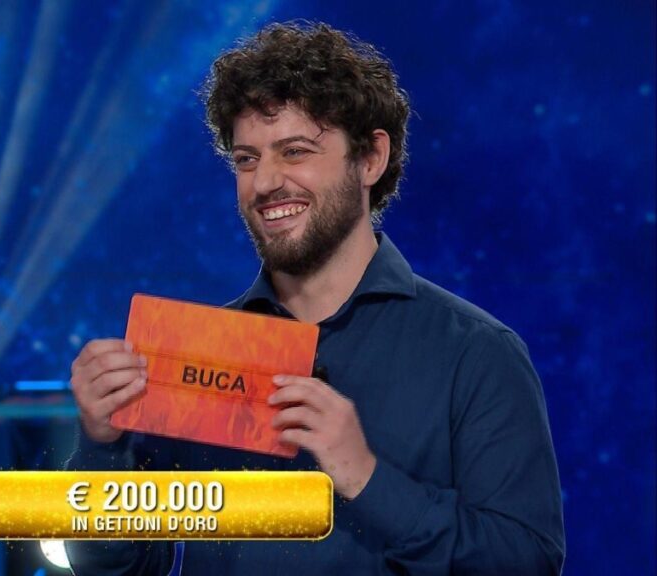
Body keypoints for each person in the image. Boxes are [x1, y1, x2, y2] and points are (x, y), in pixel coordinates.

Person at [65, 21, 565, 575]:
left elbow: (526, 563)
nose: (265, 183)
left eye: (295, 151)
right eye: (247, 159)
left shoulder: (477, 353)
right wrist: (101, 446)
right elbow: (116, 569)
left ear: (370, 158)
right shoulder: (195, 357)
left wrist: (367, 477)